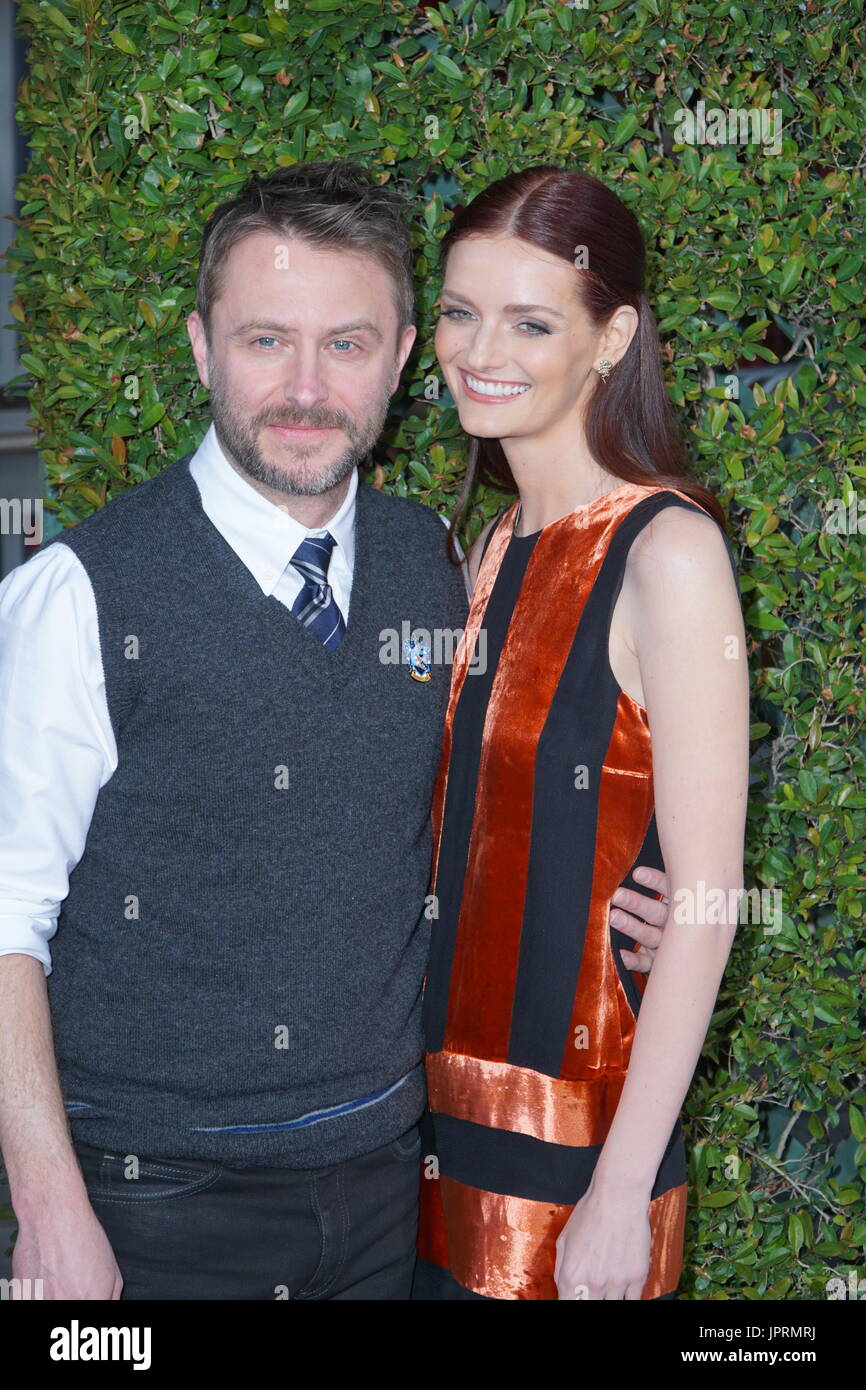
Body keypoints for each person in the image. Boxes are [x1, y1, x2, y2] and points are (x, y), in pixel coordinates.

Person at [0, 162, 670, 1301]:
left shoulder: (435, 561)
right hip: (150, 1204)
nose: (304, 389)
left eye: (345, 344)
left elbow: (471, 809)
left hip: (390, 1190)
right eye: (266, 341)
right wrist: (51, 1208)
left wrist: (621, 887)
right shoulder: (80, 595)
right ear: (205, 348)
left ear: (403, 358)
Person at [412, 165, 749, 1301]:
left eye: (529, 321)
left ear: (610, 339)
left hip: (575, 1142)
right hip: (419, 1125)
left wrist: (614, 1193)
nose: (478, 348)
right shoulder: (478, 548)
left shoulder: (668, 553)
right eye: (459, 311)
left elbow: (702, 904)